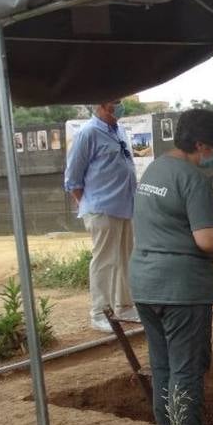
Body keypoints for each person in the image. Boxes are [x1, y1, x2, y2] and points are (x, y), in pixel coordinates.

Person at [128, 109, 213, 425]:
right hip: (181, 288)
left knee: (163, 366)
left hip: (146, 283)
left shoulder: (153, 170)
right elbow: (206, 239)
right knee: (186, 367)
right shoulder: (192, 178)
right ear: (200, 145)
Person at [63, 99, 139, 332]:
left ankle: (125, 306)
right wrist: (89, 204)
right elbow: (73, 178)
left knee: (126, 258)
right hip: (102, 207)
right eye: (116, 102)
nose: (120, 105)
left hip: (126, 206)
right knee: (105, 260)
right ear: (103, 105)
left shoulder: (119, 130)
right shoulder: (88, 133)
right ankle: (100, 312)